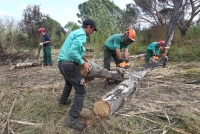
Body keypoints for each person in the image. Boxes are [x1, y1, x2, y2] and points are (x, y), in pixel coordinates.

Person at [57, 18, 97, 131]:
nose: (92, 32)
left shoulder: (75, 32)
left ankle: (62, 101)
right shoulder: (82, 34)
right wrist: (82, 63)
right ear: (89, 27)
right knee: (81, 89)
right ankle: (72, 119)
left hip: (62, 63)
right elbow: (72, 52)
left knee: (69, 83)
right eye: (92, 30)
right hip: (69, 65)